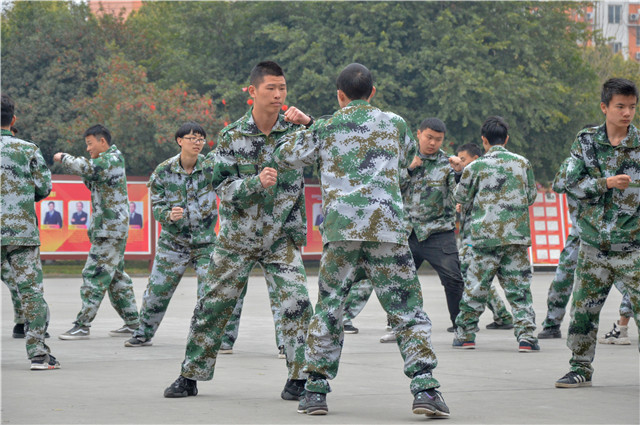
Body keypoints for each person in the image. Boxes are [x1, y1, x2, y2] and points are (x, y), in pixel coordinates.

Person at [275, 63, 449, 417]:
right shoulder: (396, 124)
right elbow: (400, 167)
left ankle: (315, 392)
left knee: (329, 308)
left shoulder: (324, 127)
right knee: (406, 309)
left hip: (342, 232)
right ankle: (426, 389)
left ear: (339, 95)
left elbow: (285, 157)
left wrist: (301, 125)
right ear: (373, 92)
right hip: (387, 228)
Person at [163, 61, 314, 401]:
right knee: (213, 305)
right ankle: (190, 375)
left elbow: (333, 147)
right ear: (252, 92)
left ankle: (299, 379)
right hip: (237, 238)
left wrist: (311, 122)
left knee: (297, 303)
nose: (278, 95)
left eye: (283, 89)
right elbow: (221, 185)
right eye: (271, 89)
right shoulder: (233, 136)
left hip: (281, 237)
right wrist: (254, 183)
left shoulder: (298, 133)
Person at [555, 78, 640, 388]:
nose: (627, 113)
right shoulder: (586, 142)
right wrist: (604, 183)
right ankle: (580, 368)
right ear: (605, 107)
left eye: (632, 106)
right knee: (583, 313)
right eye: (620, 106)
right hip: (592, 246)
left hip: (632, 248)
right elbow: (565, 184)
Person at [124, 122, 217, 347]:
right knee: (157, 290)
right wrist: (168, 215)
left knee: (213, 291)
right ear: (179, 141)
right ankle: (143, 332)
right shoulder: (163, 171)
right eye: (192, 138)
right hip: (173, 243)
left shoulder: (212, 167)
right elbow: (156, 207)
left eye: (201, 139)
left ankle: (214, 338)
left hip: (205, 243)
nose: (197, 143)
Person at [452, 116, 539, 352]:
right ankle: (527, 338)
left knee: (475, 288)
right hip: (516, 238)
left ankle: (466, 335)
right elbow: (531, 197)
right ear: (507, 139)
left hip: (485, 238)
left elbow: (460, 197)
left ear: (484, 140)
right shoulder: (523, 163)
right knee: (519, 290)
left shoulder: (474, 167)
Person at [54, 124, 140, 340]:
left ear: (103, 142)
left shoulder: (111, 159)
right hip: (109, 229)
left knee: (94, 275)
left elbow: (87, 168)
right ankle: (133, 324)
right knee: (116, 278)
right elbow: (91, 177)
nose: (88, 149)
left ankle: (82, 325)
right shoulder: (106, 163)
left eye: (90, 144)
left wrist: (64, 157)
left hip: (110, 231)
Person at [538, 152, 634, 340]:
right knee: (563, 279)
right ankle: (552, 323)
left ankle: (553, 323)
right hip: (583, 234)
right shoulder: (575, 164)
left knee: (627, 282)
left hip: (607, 234)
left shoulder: (613, 164)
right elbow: (558, 186)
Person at [0, 94, 59, 370]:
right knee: (31, 292)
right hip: (21, 233)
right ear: (13, 120)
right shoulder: (28, 149)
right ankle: (38, 353)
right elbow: (44, 188)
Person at [449, 143, 514, 331]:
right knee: (475, 276)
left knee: (474, 276)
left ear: (475, 160)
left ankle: (477, 320)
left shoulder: (479, 174)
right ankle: (500, 315)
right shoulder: (476, 176)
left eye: (463, 159)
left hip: (476, 236)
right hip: (472, 235)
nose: (460, 163)